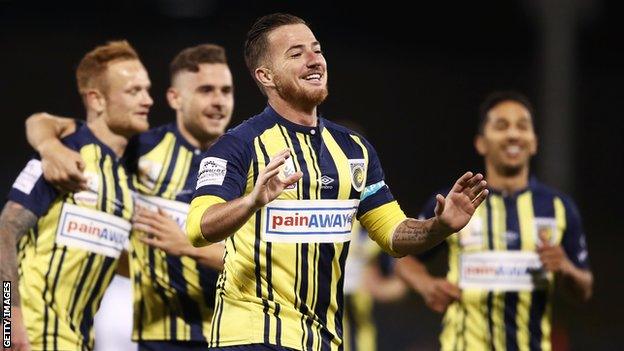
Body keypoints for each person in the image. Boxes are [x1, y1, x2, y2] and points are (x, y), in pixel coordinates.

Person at [185, 13, 488, 351]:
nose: (315, 60)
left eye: (317, 50)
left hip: (323, 340)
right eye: (296, 53)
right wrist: (251, 202)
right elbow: (198, 227)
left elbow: (391, 234)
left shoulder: (354, 150)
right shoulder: (237, 145)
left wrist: (438, 227)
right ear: (265, 76)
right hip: (250, 337)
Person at [25, 43, 233, 350]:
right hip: (158, 335)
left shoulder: (248, 161)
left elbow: (266, 261)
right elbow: (43, 121)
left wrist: (188, 246)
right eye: (206, 90)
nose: (219, 102)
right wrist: (49, 147)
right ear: (175, 98)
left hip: (232, 333)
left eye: (226, 91)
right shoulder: (137, 148)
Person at [395, 91, 593, 350]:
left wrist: (566, 267)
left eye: (522, 126)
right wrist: (426, 285)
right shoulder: (455, 202)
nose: (513, 134)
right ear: (481, 142)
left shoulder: (558, 208)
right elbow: (404, 258)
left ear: (533, 142)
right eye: (501, 126)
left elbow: (585, 289)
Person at [0, 40, 152, 351]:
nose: (147, 100)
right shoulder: (64, 156)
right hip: (30, 339)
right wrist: (7, 323)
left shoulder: (122, 177)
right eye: (133, 91)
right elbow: (4, 233)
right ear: (97, 100)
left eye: (147, 89)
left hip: (78, 341)